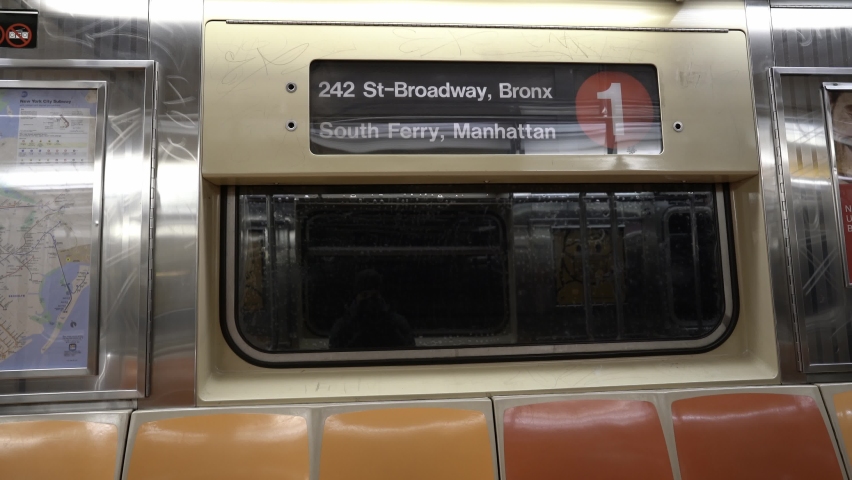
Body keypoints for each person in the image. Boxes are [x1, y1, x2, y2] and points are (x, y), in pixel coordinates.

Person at [328, 269, 415, 349]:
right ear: (356, 297)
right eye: (364, 295)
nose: (370, 300)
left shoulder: (397, 323)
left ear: (381, 297)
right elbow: (335, 353)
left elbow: (409, 350)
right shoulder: (343, 326)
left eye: (374, 295)